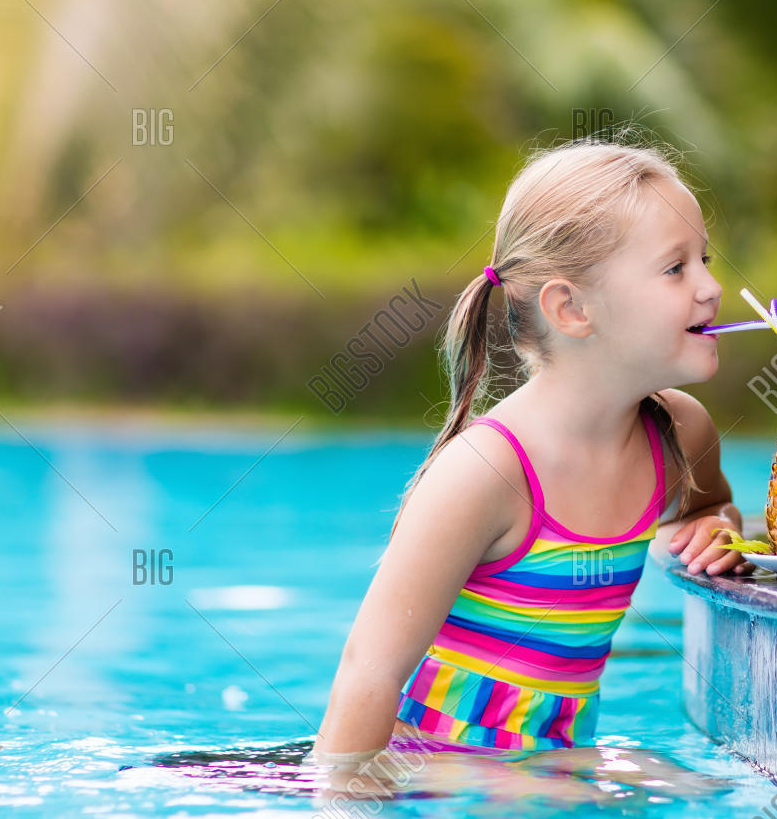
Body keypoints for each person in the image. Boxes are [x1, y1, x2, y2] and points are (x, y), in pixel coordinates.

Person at [312, 134, 752, 773]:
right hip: (439, 770)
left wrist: (716, 527)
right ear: (571, 308)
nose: (711, 288)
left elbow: (708, 507)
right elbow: (368, 674)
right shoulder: (485, 473)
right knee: (668, 789)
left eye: (704, 259)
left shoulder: (679, 434)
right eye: (676, 267)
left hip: (548, 769)